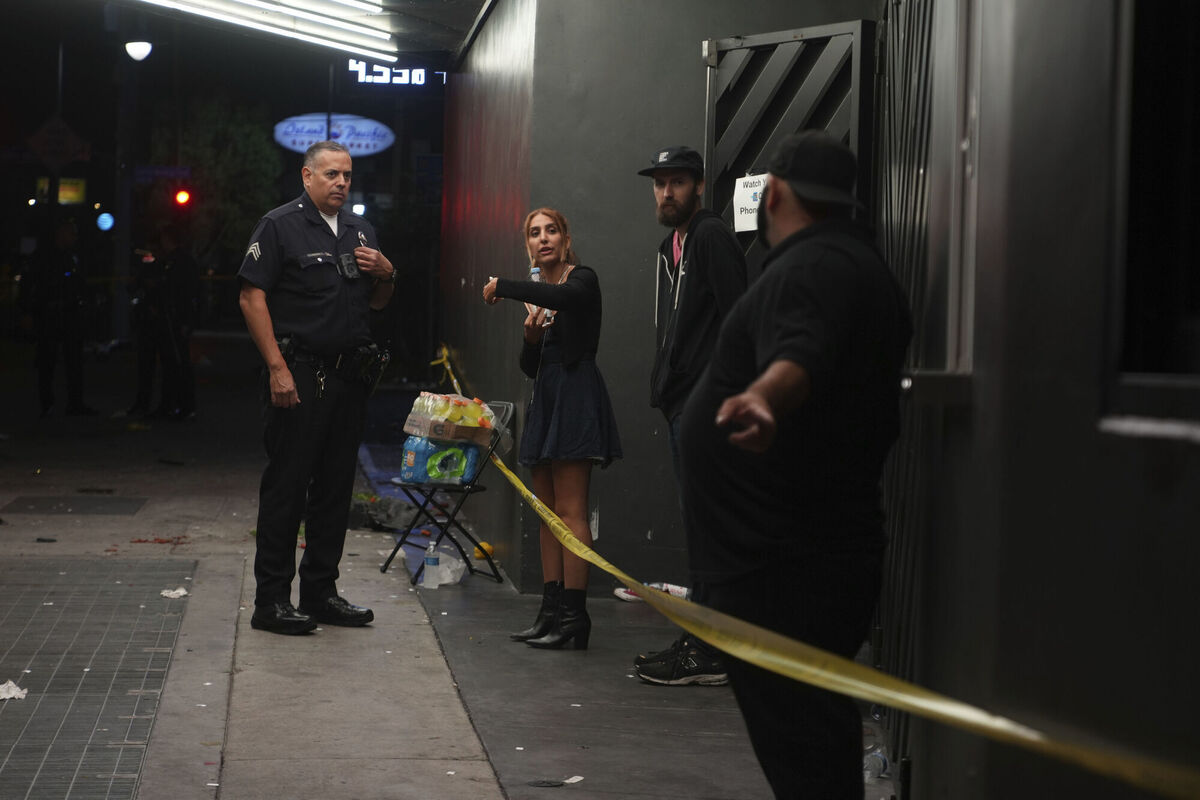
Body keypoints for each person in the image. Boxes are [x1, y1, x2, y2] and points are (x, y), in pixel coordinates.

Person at [677, 130, 912, 797]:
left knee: (805, 756)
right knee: (813, 744)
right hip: (804, 558)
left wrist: (763, 396)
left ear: (772, 192)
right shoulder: (854, 264)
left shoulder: (814, 268)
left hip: (782, 567)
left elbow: (800, 351)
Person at [237, 140, 396, 635]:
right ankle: (271, 602)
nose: (342, 183)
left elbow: (376, 304)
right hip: (300, 373)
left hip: (348, 377)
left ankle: (321, 593)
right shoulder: (279, 225)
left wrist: (389, 274)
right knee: (288, 487)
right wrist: (276, 368)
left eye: (347, 175)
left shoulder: (359, 230)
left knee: (334, 490)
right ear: (307, 177)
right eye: (331, 175)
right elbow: (250, 297)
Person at [633, 145, 747, 686]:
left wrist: (717, 398)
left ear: (698, 186)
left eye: (676, 182)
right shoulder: (670, 246)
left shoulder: (711, 236)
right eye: (659, 184)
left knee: (711, 528)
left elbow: (739, 321)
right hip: (683, 405)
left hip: (708, 408)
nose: (666, 192)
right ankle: (706, 642)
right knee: (701, 528)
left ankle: (712, 649)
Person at [482, 208, 622, 650]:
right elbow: (531, 366)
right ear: (528, 245)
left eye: (552, 231)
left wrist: (501, 286)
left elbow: (566, 301)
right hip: (548, 395)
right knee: (546, 512)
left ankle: (575, 616)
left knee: (571, 510)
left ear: (565, 239)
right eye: (534, 233)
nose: (543, 239)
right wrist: (530, 338)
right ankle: (550, 611)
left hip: (577, 395)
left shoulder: (582, 280)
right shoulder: (540, 297)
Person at [19, 217, 96, 417]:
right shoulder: (43, 256)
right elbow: (27, 285)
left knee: (74, 360)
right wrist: (27, 311)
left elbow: (79, 283)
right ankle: (47, 403)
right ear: (61, 233)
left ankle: (75, 402)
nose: (74, 238)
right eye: (71, 233)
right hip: (49, 313)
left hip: (69, 313)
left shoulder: (72, 257)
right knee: (47, 360)